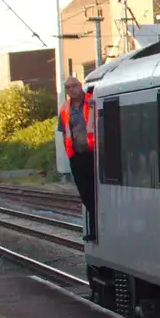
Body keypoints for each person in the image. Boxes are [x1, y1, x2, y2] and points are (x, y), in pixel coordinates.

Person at [58, 76, 97, 240]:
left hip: (94, 154)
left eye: (73, 86)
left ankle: (96, 229)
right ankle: (94, 228)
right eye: (67, 87)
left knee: (96, 192)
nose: (71, 90)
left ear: (80, 86)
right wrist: (69, 154)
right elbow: (64, 131)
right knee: (85, 194)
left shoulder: (91, 101)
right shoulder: (65, 107)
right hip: (77, 156)